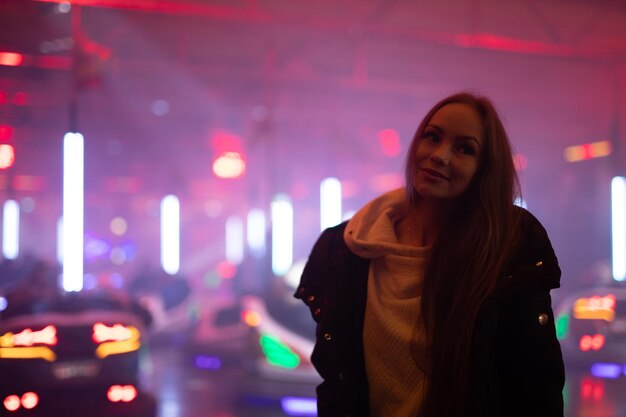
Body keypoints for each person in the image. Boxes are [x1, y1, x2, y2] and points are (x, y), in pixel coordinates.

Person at [295, 92, 565, 417]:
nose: (440, 155)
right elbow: (337, 379)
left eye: (464, 149)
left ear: (485, 170)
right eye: (432, 137)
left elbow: (534, 391)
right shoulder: (350, 248)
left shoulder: (504, 253)